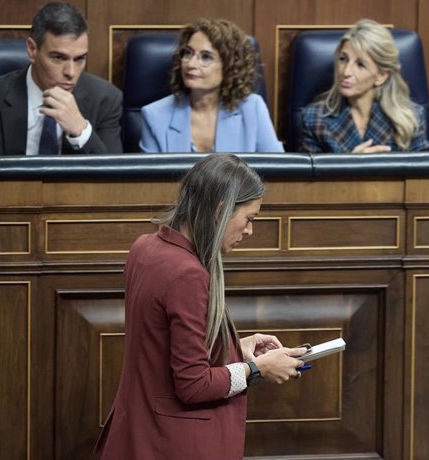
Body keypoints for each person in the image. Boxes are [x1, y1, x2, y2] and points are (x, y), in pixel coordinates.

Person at [95, 154, 306, 459]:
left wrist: (234, 347)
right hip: (172, 443)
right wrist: (256, 369)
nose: (249, 232)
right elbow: (193, 385)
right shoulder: (188, 274)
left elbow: (159, 345)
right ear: (220, 211)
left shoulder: (145, 247)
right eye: (249, 219)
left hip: (135, 432)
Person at [0, 2, 123, 158]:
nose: (71, 72)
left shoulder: (105, 99)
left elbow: (116, 180)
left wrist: (81, 131)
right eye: (58, 57)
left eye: (79, 59)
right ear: (32, 50)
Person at [139, 18, 283, 153]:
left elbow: (278, 171)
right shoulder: (154, 116)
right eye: (187, 53)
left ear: (229, 66)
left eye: (206, 57)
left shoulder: (253, 109)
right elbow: (151, 180)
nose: (191, 64)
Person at [300, 19, 429, 153]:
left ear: (381, 76)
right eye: (343, 59)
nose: (346, 72)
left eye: (360, 65)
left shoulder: (411, 119)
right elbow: (307, 174)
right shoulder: (314, 118)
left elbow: (424, 173)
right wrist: (350, 167)